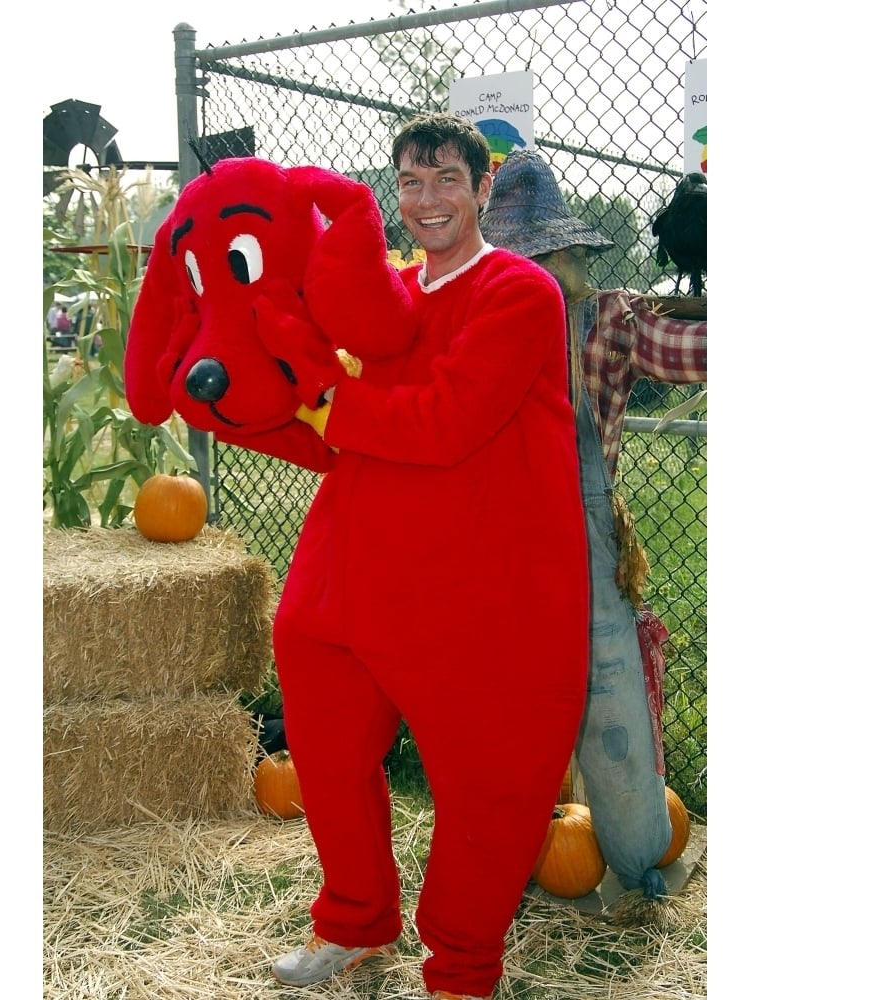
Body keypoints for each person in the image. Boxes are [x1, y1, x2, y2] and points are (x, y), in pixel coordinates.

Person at [262, 114, 590, 1000]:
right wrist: (263, 406)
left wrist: (328, 401)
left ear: (485, 189)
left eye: (447, 178)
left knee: (487, 781)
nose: (427, 198)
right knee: (325, 747)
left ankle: (460, 968)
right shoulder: (390, 292)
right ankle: (355, 921)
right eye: (410, 182)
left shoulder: (521, 293)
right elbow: (338, 436)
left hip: (474, 577)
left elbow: (445, 422)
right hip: (354, 558)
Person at [479, 148, 708, 902]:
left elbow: (697, 350)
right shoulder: (468, 319)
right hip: (494, 542)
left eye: (544, 255)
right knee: (503, 700)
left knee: (609, 691)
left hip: (583, 540)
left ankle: (638, 854)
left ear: (569, 255)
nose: (532, 272)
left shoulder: (609, 319)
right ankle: (504, 854)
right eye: (516, 257)